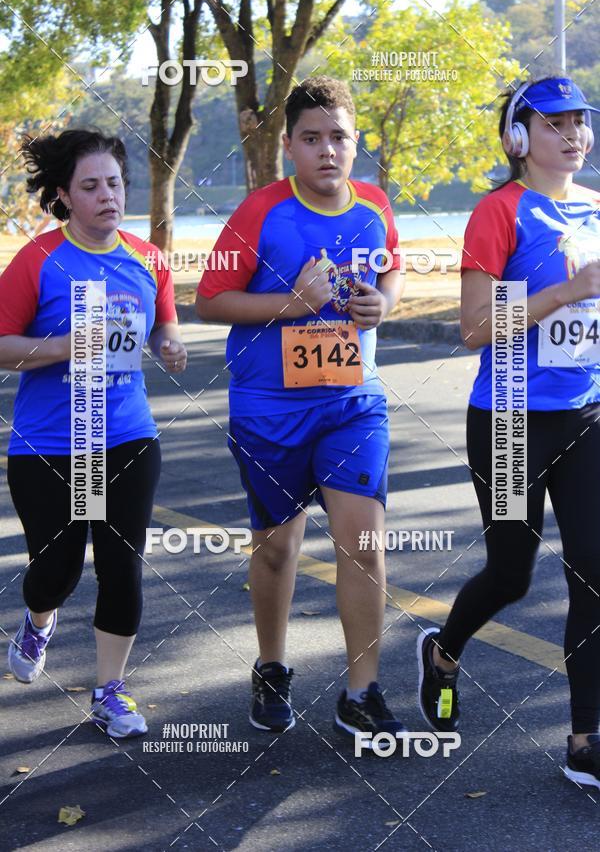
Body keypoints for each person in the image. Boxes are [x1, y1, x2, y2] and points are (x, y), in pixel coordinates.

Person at [196, 76, 405, 743]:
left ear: (355, 142)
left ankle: (361, 690)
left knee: (363, 543)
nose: (326, 151)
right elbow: (210, 301)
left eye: (338, 137)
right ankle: (271, 665)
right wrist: (292, 304)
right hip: (268, 411)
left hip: (352, 404)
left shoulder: (373, 204)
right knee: (279, 552)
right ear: (288, 146)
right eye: (311, 139)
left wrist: (386, 302)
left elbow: (391, 266)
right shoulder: (258, 213)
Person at [416, 75, 600, 788]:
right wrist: (563, 292)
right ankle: (445, 648)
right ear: (519, 138)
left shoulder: (595, 209)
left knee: (593, 569)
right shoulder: (501, 213)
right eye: (555, 123)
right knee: (511, 573)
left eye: (580, 121)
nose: (574, 135)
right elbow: (473, 327)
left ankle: (585, 738)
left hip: (585, 414)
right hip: (510, 418)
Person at [4, 130, 187, 738]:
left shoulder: (147, 257)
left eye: (114, 182)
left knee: (121, 565)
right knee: (56, 570)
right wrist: (62, 346)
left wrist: (170, 342)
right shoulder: (37, 261)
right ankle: (39, 617)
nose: (108, 195)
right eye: (91, 186)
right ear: (64, 196)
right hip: (51, 442)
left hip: (126, 435)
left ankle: (110, 690)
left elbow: (164, 319)